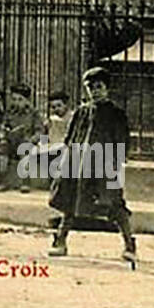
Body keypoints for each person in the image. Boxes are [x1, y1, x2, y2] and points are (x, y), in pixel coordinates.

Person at [48, 66, 136, 265]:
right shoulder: (81, 112)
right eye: (90, 87)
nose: (95, 91)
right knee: (71, 202)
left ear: (107, 88)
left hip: (104, 164)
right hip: (78, 163)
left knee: (115, 204)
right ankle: (60, 241)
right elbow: (70, 139)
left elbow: (122, 142)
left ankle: (129, 244)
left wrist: (116, 165)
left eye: (99, 87)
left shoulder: (116, 113)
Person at [2, 84, 42, 192]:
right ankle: (3, 181)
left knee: (24, 151)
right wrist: (5, 132)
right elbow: (4, 126)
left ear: (27, 100)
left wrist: (32, 139)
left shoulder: (34, 113)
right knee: (2, 150)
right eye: (14, 99)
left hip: (26, 142)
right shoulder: (9, 112)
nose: (16, 102)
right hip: (11, 141)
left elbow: (39, 131)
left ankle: (25, 182)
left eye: (20, 99)